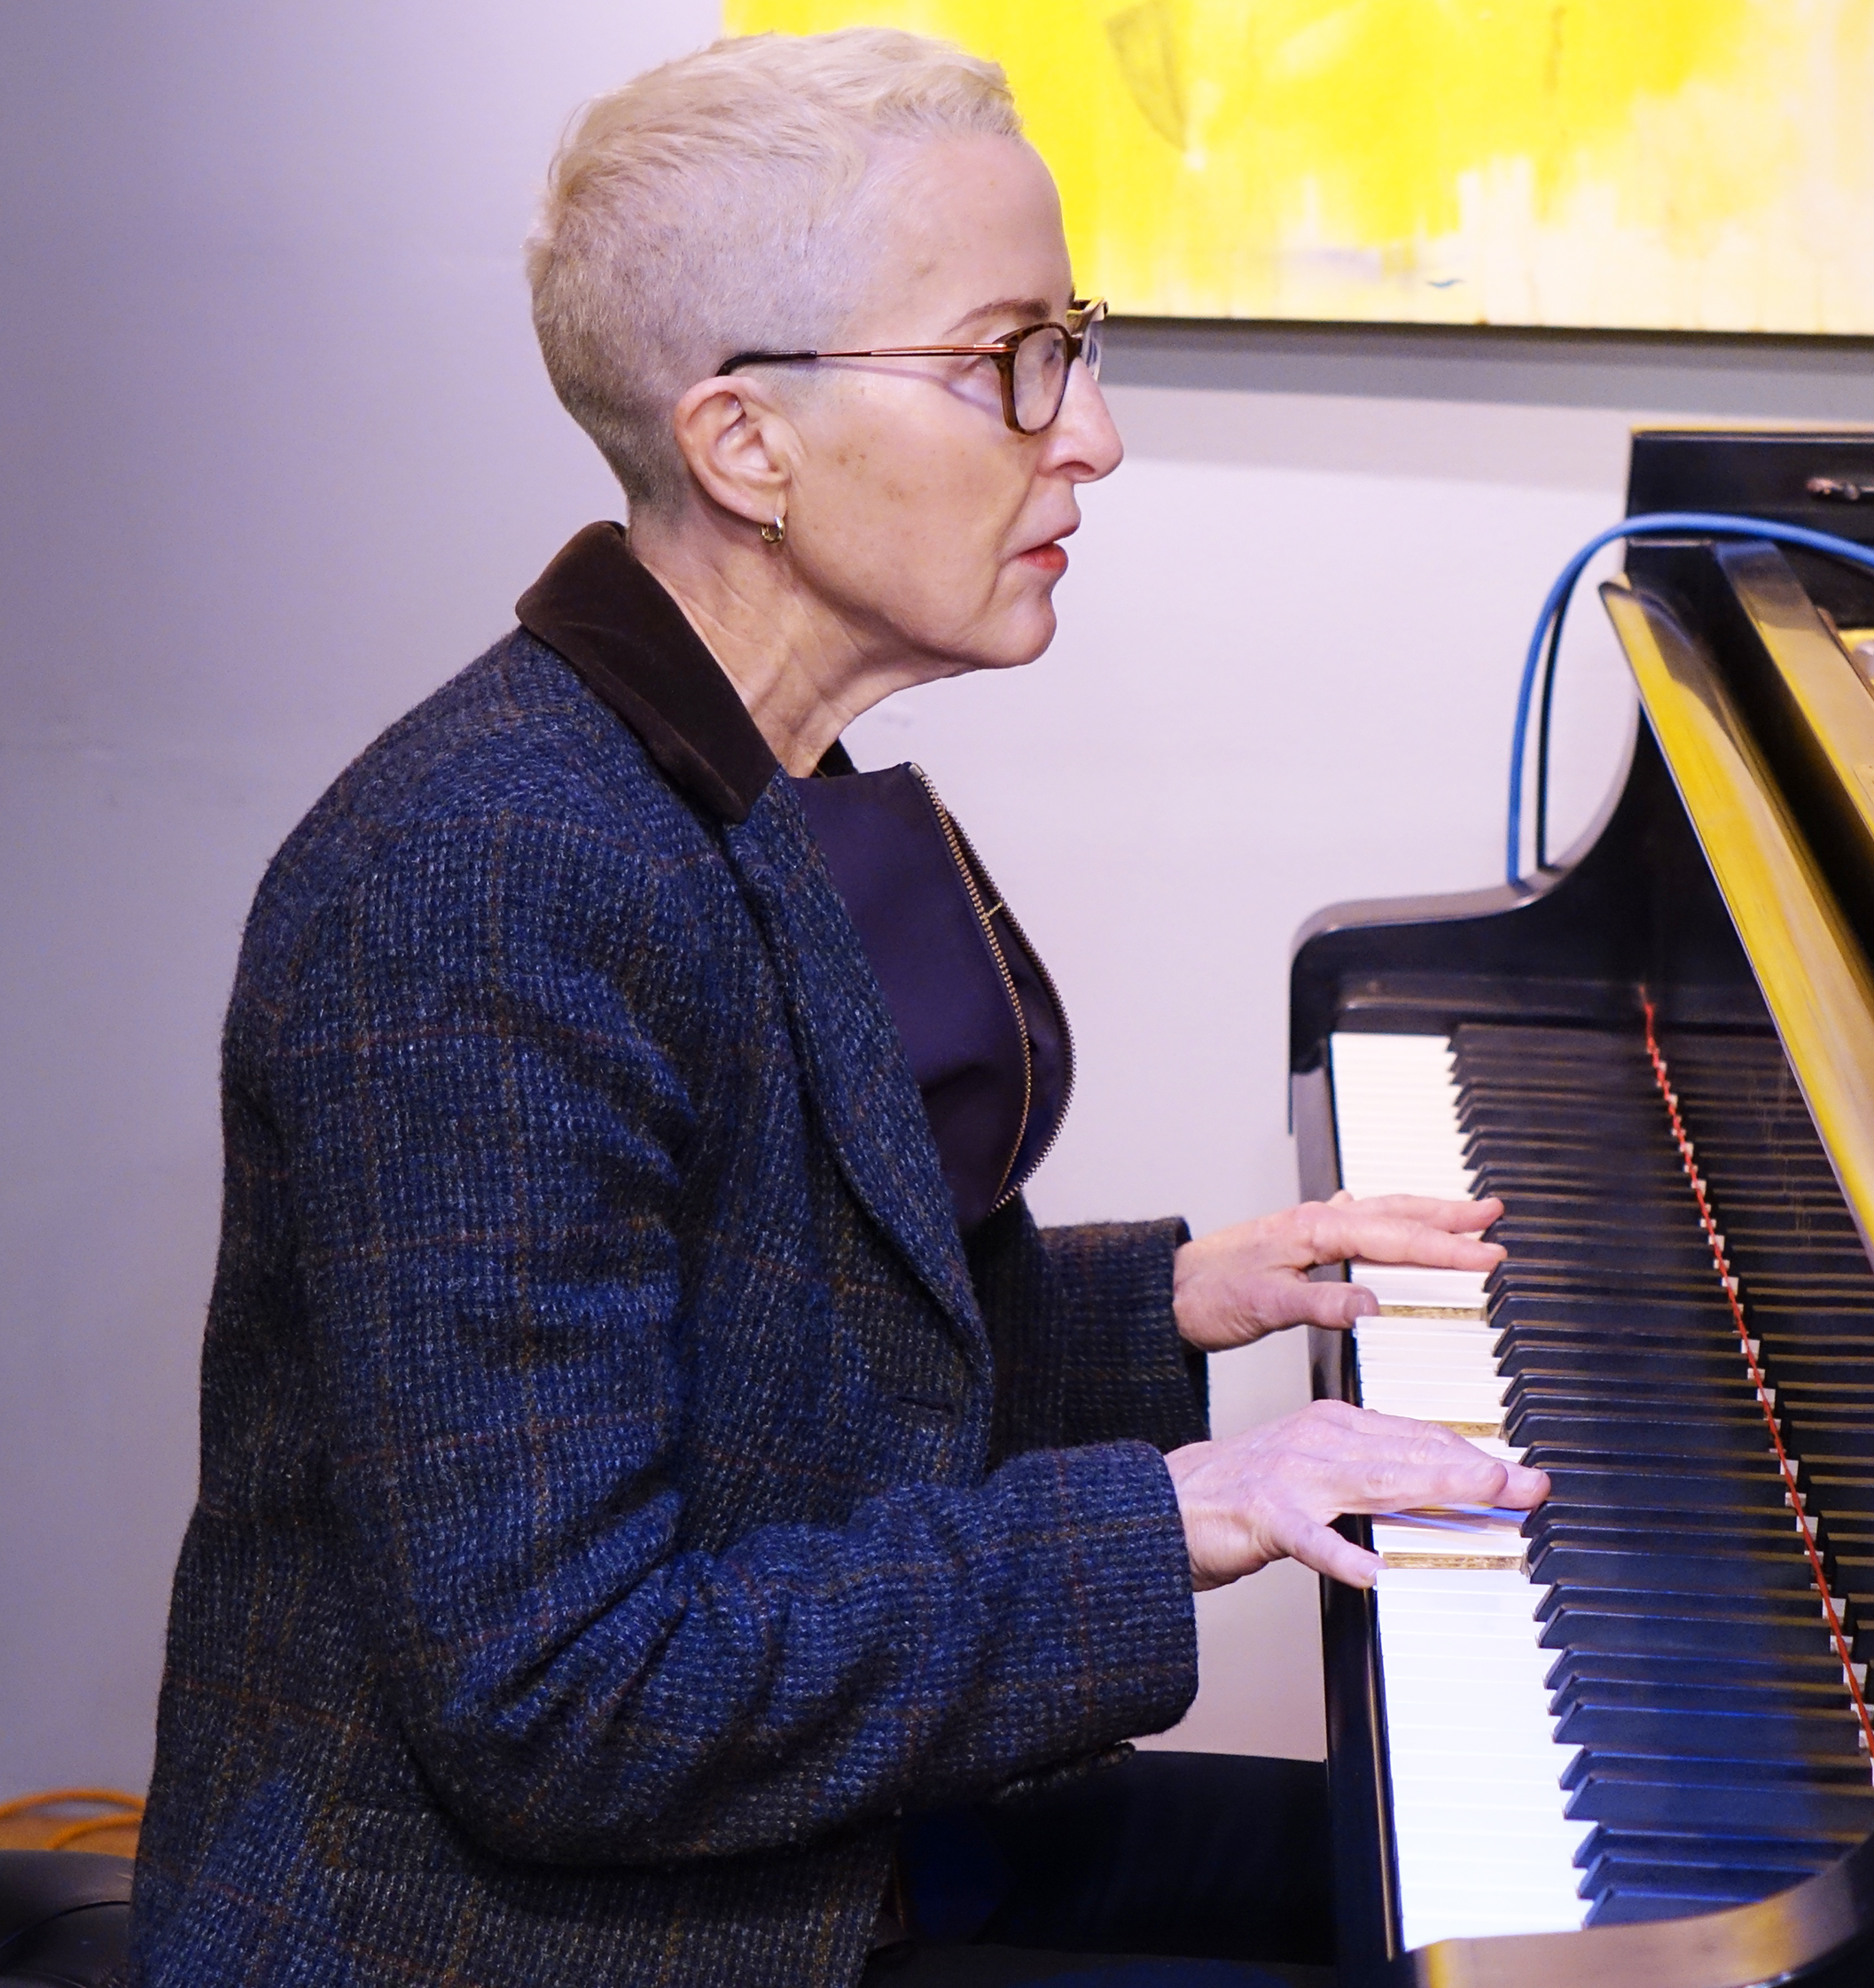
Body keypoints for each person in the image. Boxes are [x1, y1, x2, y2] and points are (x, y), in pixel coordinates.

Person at [126, 28, 1546, 1988]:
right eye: (1006, 362)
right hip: (532, 1939)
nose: (1092, 435)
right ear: (742, 445)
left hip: (803, 1854)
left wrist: (1184, 1299)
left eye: (1077, 340)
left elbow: (773, 1369)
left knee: (1503, 1909)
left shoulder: (714, 770)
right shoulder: (479, 890)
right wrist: (1175, 1511)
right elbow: (567, 1699)